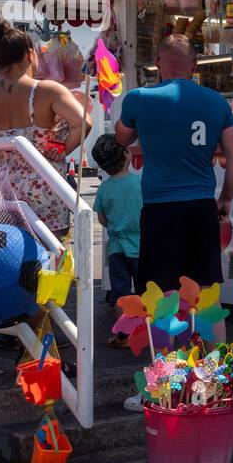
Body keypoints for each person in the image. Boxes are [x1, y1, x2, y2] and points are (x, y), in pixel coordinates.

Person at [114, 34, 233, 295]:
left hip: (159, 207)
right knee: (206, 293)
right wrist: (225, 199)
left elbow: (123, 138)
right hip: (201, 205)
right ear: (194, 65)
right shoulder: (217, 102)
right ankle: (213, 339)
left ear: (157, 62)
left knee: (162, 292)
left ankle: (170, 338)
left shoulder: (138, 98)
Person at [0, 18, 88, 235]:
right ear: (30, 54)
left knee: (12, 253)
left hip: (4, 190)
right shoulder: (48, 90)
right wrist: (64, 149)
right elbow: (82, 122)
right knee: (50, 256)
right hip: (44, 186)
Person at [91, 134, 142, 345]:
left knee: (120, 294)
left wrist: (115, 225)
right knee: (144, 291)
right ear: (126, 155)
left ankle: (123, 336)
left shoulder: (104, 188)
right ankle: (145, 332)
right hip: (141, 246)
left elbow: (101, 218)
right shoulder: (140, 184)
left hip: (116, 248)